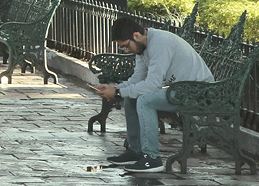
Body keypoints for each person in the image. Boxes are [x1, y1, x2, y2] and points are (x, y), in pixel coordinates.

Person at [91, 16, 214, 174]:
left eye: (126, 46)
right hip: (181, 89)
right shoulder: (142, 47)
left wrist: (117, 92)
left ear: (136, 35)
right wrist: (115, 88)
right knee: (132, 97)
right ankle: (135, 151)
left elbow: (152, 85)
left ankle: (152, 158)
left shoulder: (160, 44)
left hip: (197, 92)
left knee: (145, 101)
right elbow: (137, 78)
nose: (126, 50)